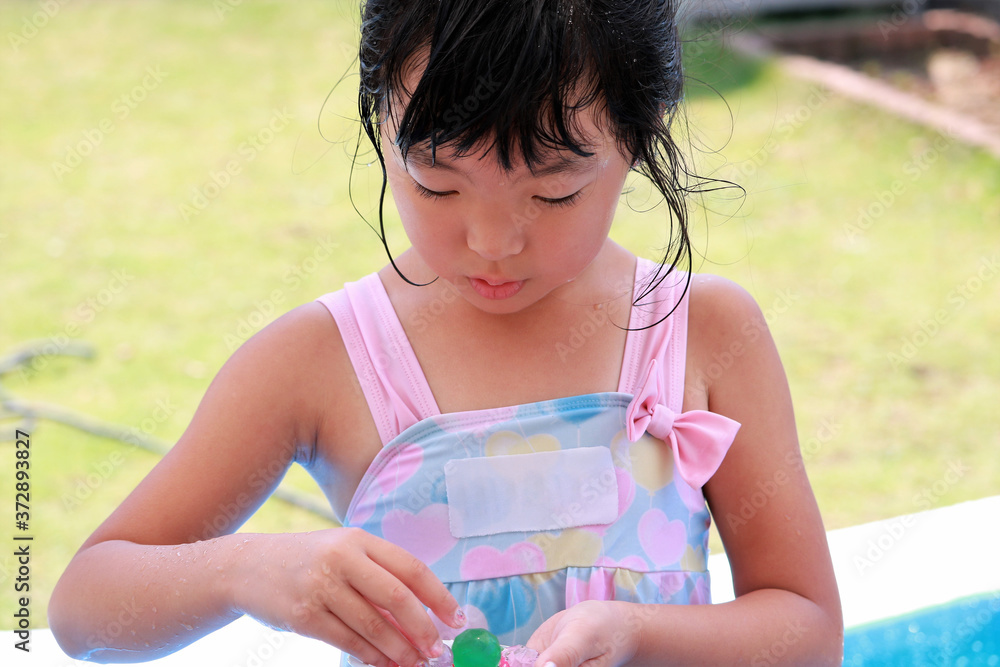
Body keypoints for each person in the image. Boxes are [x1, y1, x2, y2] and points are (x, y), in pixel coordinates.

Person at [48, 0, 843, 665]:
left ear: (639, 133)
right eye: (437, 183)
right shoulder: (320, 360)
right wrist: (248, 569)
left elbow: (807, 629)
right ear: (381, 122)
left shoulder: (703, 332)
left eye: (552, 194)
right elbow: (86, 608)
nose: (492, 242)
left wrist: (639, 633)